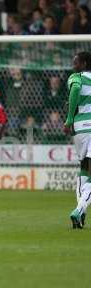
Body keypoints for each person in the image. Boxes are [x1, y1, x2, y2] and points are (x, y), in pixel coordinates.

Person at [64, 52, 91, 229]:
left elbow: (74, 89)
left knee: (84, 168)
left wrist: (70, 119)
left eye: (76, 62)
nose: (73, 65)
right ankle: (80, 208)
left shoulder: (76, 77)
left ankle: (80, 214)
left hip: (80, 129)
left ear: (85, 63)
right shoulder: (77, 76)